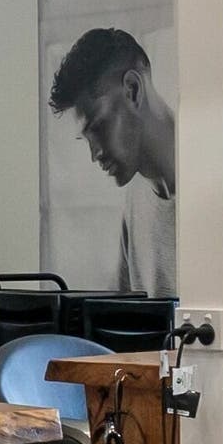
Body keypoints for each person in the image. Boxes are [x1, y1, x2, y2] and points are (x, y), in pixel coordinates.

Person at [47, 25, 176, 291]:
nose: (95, 155)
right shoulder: (135, 203)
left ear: (132, 89)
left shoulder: (216, 184)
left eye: (100, 127)